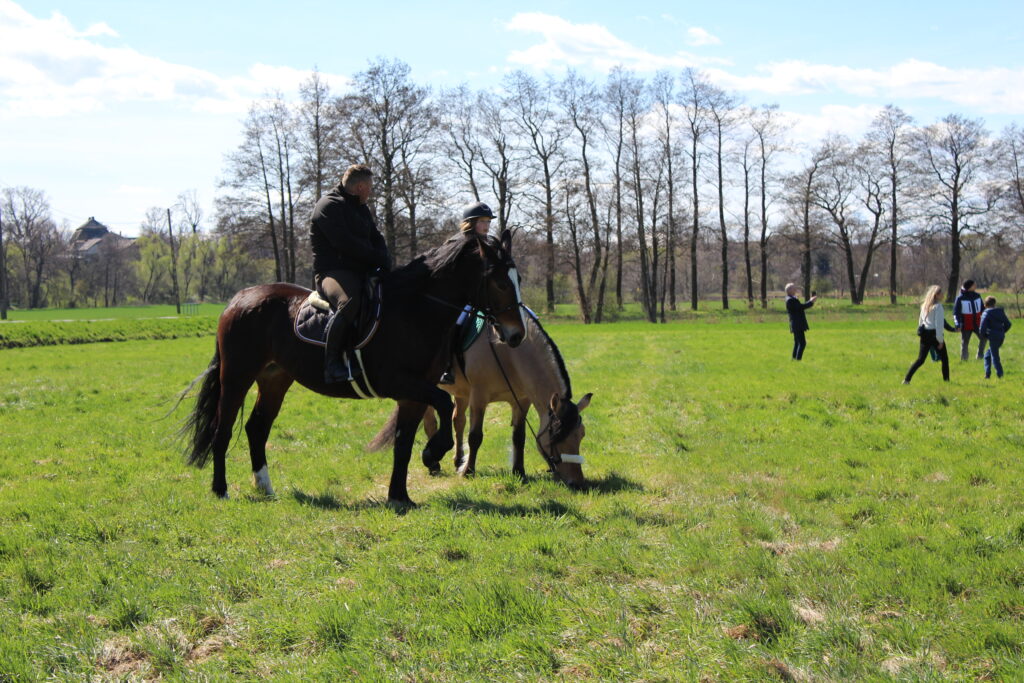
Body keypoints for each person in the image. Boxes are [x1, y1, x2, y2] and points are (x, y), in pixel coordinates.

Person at [310, 164, 390, 383]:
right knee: (350, 301)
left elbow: (376, 237)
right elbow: (346, 244)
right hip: (332, 273)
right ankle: (332, 364)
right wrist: (376, 258)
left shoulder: (361, 208)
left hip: (361, 270)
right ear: (361, 186)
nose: (371, 192)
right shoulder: (328, 206)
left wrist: (385, 260)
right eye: (370, 188)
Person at [439, 201, 497, 384]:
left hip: (485, 297)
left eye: (488, 222)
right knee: (456, 322)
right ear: (470, 223)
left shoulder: (491, 243)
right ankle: (447, 368)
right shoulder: (456, 243)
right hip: (460, 299)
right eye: (482, 221)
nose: (486, 226)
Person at [903, 284, 955, 384]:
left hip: (924, 334)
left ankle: (907, 379)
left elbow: (920, 322)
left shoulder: (924, 306)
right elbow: (939, 325)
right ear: (936, 295)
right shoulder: (938, 307)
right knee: (944, 359)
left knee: (920, 360)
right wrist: (940, 341)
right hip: (934, 334)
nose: (943, 295)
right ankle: (946, 381)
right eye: (941, 293)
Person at [979, 296, 1012, 379]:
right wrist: (1001, 332)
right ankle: (987, 374)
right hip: (1001, 337)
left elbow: (982, 328)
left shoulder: (986, 313)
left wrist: (985, 335)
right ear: (994, 304)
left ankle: (1000, 374)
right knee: (987, 356)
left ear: (985, 305)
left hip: (993, 337)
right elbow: (1008, 324)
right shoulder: (1000, 312)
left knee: (994, 356)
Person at [953, 279, 986, 361]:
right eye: (974, 284)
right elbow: (956, 313)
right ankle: (964, 359)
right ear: (969, 287)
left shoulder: (978, 296)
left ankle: (980, 356)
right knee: (965, 343)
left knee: (984, 338)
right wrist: (957, 324)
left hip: (978, 324)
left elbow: (983, 309)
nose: (976, 286)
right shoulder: (960, 298)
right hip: (966, 325)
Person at [784, 283, 817, 361]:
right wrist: (811, 302)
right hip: (797, 324)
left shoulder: (791, 299)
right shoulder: (790, 300)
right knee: (802, 343)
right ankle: (798, 360)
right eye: (794, 288)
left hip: (796, 323)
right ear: (789, 290)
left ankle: (794, 359)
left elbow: (800, 307)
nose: (795, 289)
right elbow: (801, 307)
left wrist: (810, 302)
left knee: (797, 342)